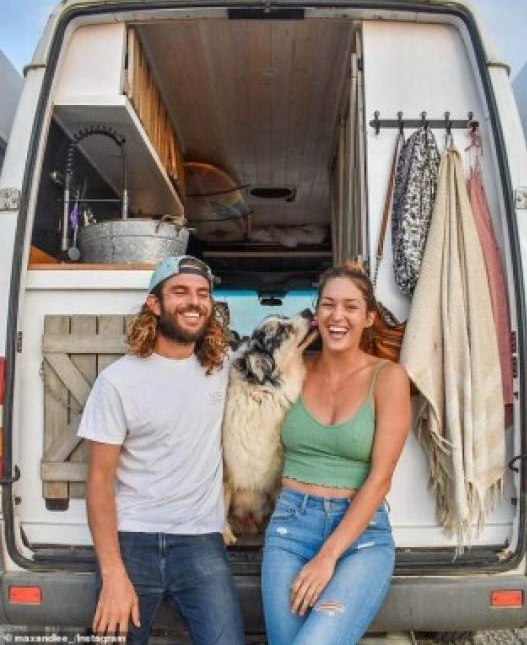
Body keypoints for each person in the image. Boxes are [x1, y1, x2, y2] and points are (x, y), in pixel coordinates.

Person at [78, 255, 245, 645]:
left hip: (201, 540)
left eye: (203, 294)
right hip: (133, 539)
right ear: (154, 304)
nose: (194, 301)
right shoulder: (118, 381)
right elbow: (100, 481)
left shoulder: (223, 369)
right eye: (180, 292)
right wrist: (114, 573)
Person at [261, 260, 411, 645]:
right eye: (328, 304)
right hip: (289, 527)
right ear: (316, 313)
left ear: (369, 317)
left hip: (361, 536)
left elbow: (380, 479)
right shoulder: (293, 369)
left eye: (350, 306)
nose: (337, 315)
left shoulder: (388, 377)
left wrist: (327, 557)